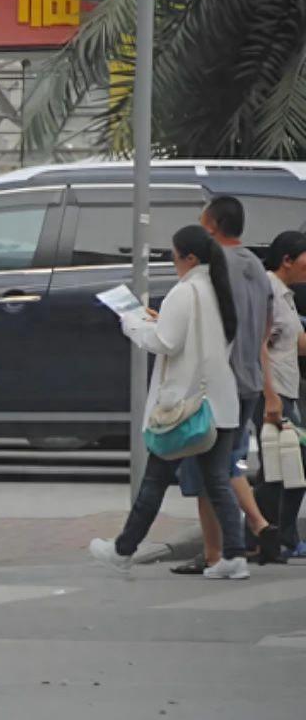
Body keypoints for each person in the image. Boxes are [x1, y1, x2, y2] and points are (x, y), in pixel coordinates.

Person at [91, 226, 249, 579]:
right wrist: (160, 322)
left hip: (185, 408)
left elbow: (164, 343)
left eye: (174, 256)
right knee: (218, 480)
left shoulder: (184, 292)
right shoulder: (219, 288)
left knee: (156, 479)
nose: (173, 262)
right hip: (220, 403)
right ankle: (235, 555)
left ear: (189, 258)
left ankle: (123, 550)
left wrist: (132, 322)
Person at [170, 196, 280, 574]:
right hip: (249, 378)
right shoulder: (256, 266)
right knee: (228, 465)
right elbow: (266, 328)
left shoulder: (213, 267)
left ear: (212, 226)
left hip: (219, 381)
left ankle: (216, 553)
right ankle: (252, 530)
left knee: (207, 471)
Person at [254, 230, 306, 559]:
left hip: (287, 390)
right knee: (277, 466)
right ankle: (266, 535)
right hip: (273, 393)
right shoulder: (269, 290)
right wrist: (270, 396)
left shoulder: (286, 294)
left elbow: (296, 343)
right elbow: (258, 345)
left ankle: (278, 535)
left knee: (290, 465)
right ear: (287, 259)